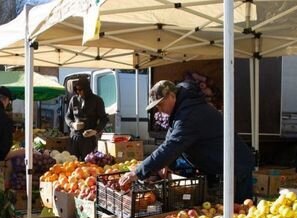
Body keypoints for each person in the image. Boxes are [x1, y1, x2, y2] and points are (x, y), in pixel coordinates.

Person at [119, 80, 255, 203]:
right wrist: (165, 164)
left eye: (160, 104)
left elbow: (172, 146)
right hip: (219, 164)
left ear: (172, 96)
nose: (159, 109)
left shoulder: (189, 115)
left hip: (237, 167)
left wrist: (137, 172)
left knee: (240, 213)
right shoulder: (182, 110)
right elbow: (170, 140)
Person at [65, 76, 108, 160]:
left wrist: (95, 131)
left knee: (88, 165)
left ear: (87, 89)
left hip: (88, 138)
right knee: (72, 163)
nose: (78, 92)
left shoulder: (97, 100)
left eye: (80, 90)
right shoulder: (74, 99)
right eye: (76, 90)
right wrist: (72, 124)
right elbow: (67, 116)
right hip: (74, 137)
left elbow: (104, 119)